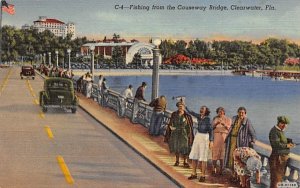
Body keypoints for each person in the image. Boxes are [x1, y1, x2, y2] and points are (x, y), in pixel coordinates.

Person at [224, 107, 256, 181]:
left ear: (245, 114)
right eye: (240, 112)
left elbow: (252, 133)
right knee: (231, 158)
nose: (241, 114)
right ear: (237, 113)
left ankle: (238, 177)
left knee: (239, 159)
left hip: (241, 143)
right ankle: (233, 175)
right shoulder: (234, 119)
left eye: (242, 113)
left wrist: (252, 141)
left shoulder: (247, 121)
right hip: (232, 140)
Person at [187, 105, 213, 182]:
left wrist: (211, 141)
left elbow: (211, 130)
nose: (201, 110)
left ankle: (202, 175)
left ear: (206, 111)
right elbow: (191, 113)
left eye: (202, 109)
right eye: (200, 108)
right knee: (194, 155)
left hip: (205, 137)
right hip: (198, 136)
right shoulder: (199, 116)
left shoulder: (208, 119)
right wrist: (185, 106)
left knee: (203, 157)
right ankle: (194, 173)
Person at [164, 100, 193, 168]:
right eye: (179, 106)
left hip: (184, 133)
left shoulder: (187, 116)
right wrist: (171, 127)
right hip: (175, 132)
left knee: (185, 147)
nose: (180, 107)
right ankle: (177, 161)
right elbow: (171, 122)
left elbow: (189, 126)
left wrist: (189, 134)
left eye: (181, 106)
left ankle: (185, 162)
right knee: (176, 147)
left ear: (184, 107)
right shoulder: (174, 114)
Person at [269, 116, 295, 188]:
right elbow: (276, 144)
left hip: (281, 159)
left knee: (278, 179)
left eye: (286, 124)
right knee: (276, 179)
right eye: (282, 123)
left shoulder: (280, 131)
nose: (284, 125)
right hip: (277, 158)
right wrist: (287, 145)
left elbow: (280, 140)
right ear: (278, 123)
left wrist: (288, 141)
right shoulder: (274, 131)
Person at [212, 107, 232, 176]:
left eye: (221, 111)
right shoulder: (215, 118)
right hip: (216, 136)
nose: (220, 113)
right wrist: (216, 123)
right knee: (215, 153)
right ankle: (213, 169)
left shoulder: (228, 119)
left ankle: (221, 170)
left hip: (224, 137)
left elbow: (229, 128)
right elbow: (212, 127)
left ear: (224, 112)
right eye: (219, 112)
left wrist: (224, 124)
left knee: (222, 154)